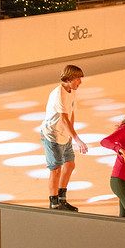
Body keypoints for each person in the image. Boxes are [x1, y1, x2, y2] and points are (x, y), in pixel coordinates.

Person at [40, 64, 88, 211]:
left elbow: (71, 113)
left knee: (70, 164)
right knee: (55, 169)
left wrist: (70, 134)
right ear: (69, 79)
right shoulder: (58, 93)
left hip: (64, 135)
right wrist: (77, 139)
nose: (80, 81)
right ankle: (53, 202)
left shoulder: (71, 91)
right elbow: (63, 118)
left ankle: (62, 198)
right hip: (52, 135)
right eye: (78, 78)